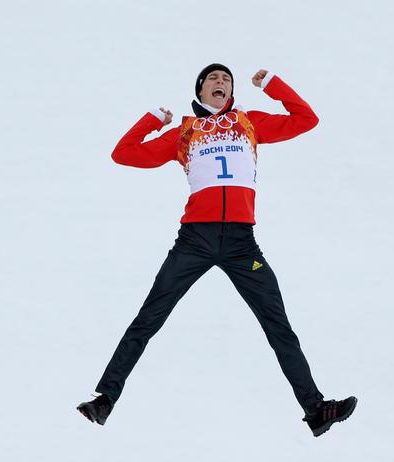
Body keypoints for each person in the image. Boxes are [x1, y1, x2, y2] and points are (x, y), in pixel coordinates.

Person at [76, 63, 356, 437]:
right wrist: (152, 120)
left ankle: (316, 409)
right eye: (213, 79)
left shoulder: (250, 123)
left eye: (226, 79)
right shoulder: (183, 133)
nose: (220, 82)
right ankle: (104, 399)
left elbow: (307, 118)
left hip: (242, 243)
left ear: (232, 92)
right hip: (195, 239)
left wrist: (273, 84)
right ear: (201, 90)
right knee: (149, 318)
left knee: (278, 325)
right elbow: (123, 154)